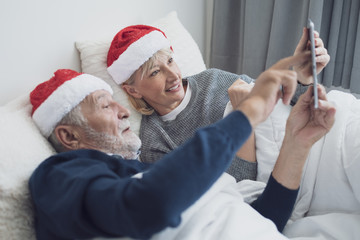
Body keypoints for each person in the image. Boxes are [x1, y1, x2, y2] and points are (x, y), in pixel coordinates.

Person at [28, 56, 335, 240]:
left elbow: (264, 220)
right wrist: (248, 113)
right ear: (69, 137)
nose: (123, 112)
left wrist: (298, 142)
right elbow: (146, 207)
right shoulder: (59, 174)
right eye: (104, 106)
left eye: (116, 103)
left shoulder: (146, 171)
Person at [106, 25, 330, 182]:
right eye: (155, 72)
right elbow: (237, 188)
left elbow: (286, 99)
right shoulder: (155, 141)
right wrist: (244, 117)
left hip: (315, 131)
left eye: (171, 61)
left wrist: (304, 77)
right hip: (294, 163)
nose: (173, 75)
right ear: (132, 90)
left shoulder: (213, 79)